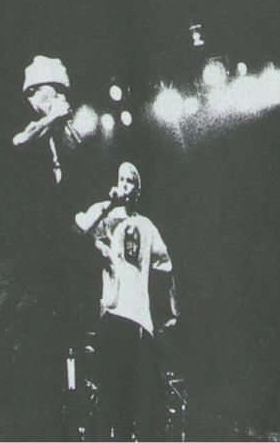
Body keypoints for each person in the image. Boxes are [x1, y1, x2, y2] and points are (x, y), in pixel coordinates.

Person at [0, 55, 81, 440]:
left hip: (44, 265)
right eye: (55, 93)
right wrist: (52, 120)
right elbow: (18, 143)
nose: (62, 101)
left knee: (42, 352)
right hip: (14, 258)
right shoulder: (19, 121)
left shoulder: (57, 139)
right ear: (37, 93)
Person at [74, 162, 178, 441]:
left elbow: (167, 266)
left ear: (138, 190)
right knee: (109, 396)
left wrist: (171, 312)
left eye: (130, 181)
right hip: (113, 314)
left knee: (136, 398)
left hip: (139, 320)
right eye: (121, 179)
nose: (124, 185)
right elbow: (80, 228)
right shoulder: (107, 217)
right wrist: (109, 204)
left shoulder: (147, 226)